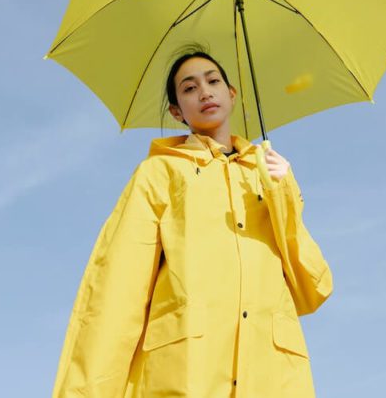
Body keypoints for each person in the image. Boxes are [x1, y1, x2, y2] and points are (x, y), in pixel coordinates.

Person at [50, 47, 333, 397]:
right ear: (176, 111)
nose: (204, 91)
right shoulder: (159, 173)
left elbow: (313, 287)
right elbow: (116, 290)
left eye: (213, 81)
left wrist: (284, 191)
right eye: (189, 88)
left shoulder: (268, 177)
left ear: (231, 94)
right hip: (186, 374)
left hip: (273, 377)